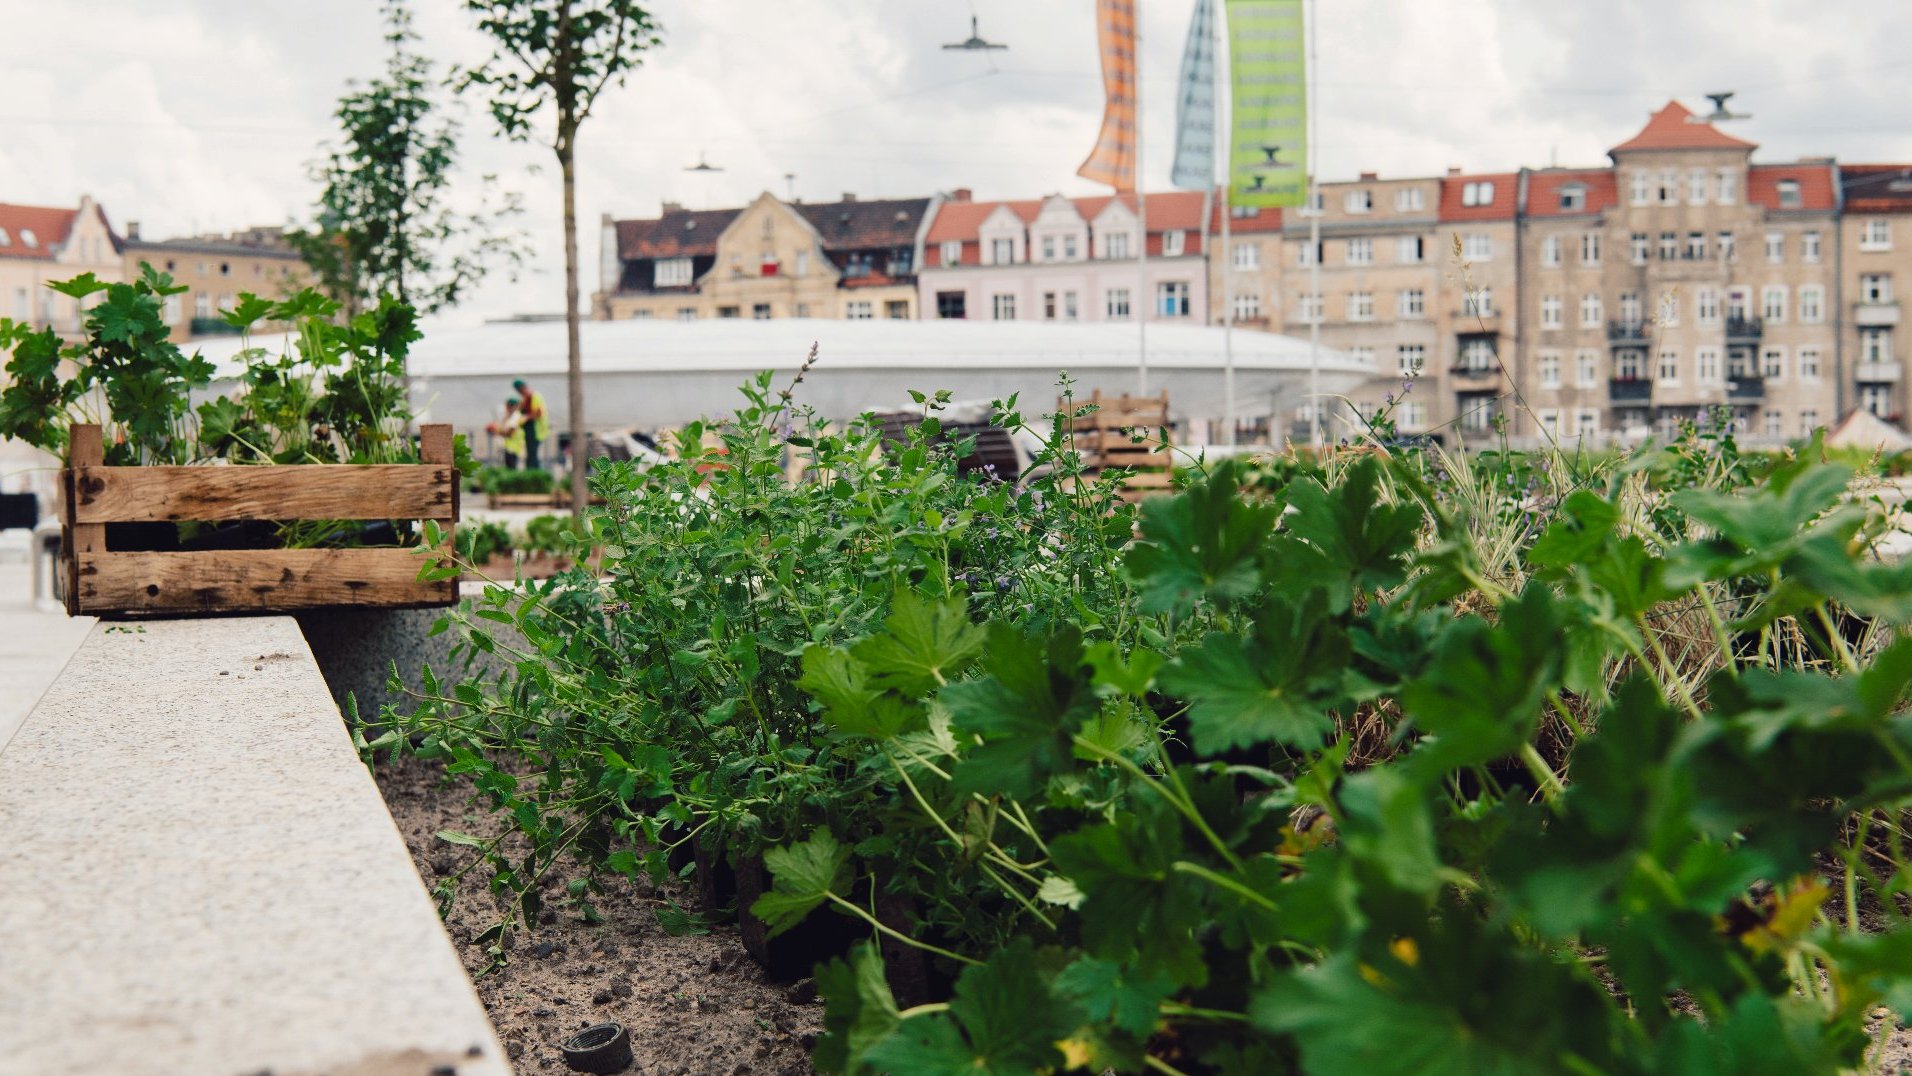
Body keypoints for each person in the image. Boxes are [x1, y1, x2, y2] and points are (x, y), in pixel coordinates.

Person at [514, 379, 550, 471]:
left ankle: (535, 475)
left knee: (533, 456)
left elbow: (539, 413)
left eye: (521, 390)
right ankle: (531, 474)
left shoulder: (535, 397)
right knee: (530, 455)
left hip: (536, 430)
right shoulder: (525, 400)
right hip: (529, 431)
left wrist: (526, 418)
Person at [486, 398, 525, 469]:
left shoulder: (515, 417)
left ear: (516, 406)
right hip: (507, 446)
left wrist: (495, 431)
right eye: (507, 406)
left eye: (510, 406)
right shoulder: (509, 416)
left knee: (511, 468)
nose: (508, 408)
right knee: (507, 467)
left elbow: (509, 433)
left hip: (513, 447)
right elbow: (502, 428)